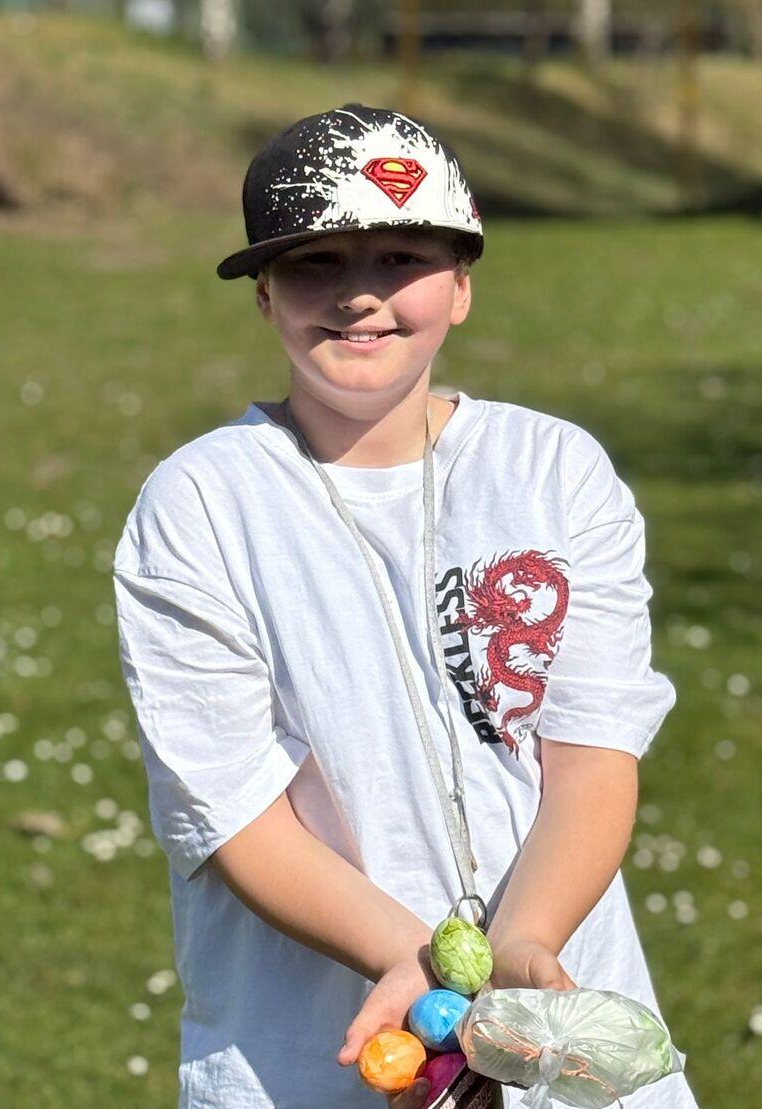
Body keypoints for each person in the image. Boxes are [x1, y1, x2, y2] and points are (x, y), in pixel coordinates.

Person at [113, 103, 699, 1109]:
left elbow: (593, 751)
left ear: (462, 285)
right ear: (262, 293)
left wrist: (518, 950)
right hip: (314, 1046)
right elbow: (230, 805)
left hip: (553, 1007)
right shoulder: (201, 503)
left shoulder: (555, 473)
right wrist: (419, 963)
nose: (358, 297)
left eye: (398, 257)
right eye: (313, 264)